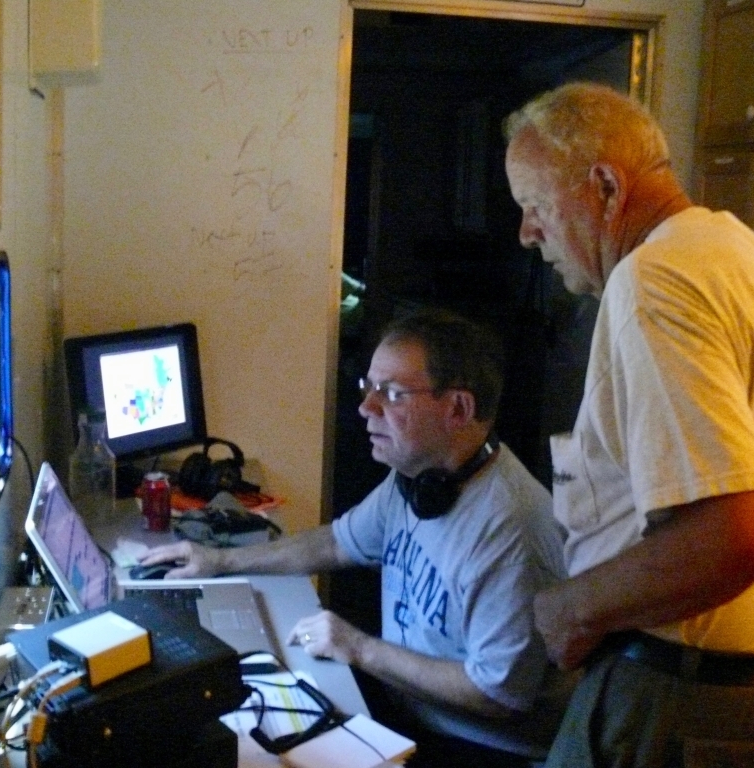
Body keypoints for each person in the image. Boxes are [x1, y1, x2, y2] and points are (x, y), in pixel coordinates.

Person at [503, 81, 754, 767]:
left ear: (606, 186)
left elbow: (740, 535)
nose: (526, 233)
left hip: (677, 697)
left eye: (536, 205)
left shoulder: (654, 278)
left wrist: (571, 609)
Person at [141, 310, 570, 767]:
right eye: (369, 387)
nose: (367, 408)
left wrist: (359, 648)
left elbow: (497, 695)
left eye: (392, 394)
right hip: (409, 707)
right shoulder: (419, 479)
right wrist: (218, 561)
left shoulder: (511, 531)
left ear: (458, 410)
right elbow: (334, 543)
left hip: (474, 747)